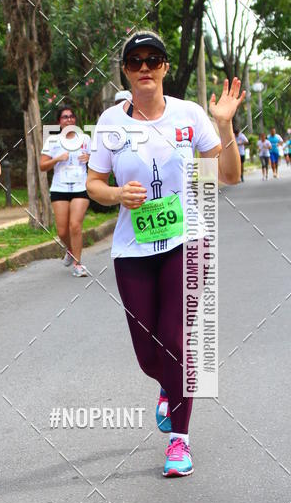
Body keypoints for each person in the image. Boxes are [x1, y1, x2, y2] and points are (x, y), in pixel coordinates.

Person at [86, 30, 242, 478]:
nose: (145, 68)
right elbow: (94, 184)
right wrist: (117, 194)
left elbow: (228, 176)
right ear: (126, 71)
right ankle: (166, 386)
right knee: (147, 351)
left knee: (175, 341)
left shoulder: (190, 116)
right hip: (132, 247)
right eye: (136, 61)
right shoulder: (111, 123)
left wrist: (226, 124)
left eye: (154, 59)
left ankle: (179, 440)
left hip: (186, 241)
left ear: (166, 68)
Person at [40, 106, 91, 277]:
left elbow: (100, 162)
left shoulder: (85, 138)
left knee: (75, 225)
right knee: (62, 231)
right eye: (64, 117)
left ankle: (78, 264)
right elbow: (42, 166)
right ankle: (70, 250)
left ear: (74, 120)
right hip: (59, 188)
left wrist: (89, 158)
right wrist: (57, 159)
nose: (68, 120)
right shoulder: (52, 141)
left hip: (80, 187)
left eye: (71, 117)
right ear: (59, 122)